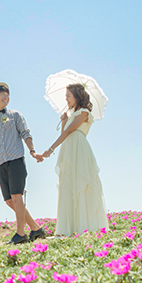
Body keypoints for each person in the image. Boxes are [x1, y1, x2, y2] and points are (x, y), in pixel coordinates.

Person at [0, 82, 47, 245]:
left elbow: (26, 133)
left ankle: (20, 234)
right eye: (3, 95)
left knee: (17, 196)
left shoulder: (16, 115)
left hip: (16, 159)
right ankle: (36, 229)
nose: (6, 98)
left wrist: (32, 151)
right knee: (9, 201)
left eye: (8, 95)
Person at [42, 83, 107, 236]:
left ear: (77, 96)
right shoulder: (72, 115)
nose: (66, 99)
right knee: (68, 184)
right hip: (69, 149)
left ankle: (84, 226)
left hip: (79, 149)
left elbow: (69, 132)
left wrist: (50, 149)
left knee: (81, 184)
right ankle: (68, 228)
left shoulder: (84, 113)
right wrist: (64, 120)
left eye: (69, 96)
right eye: (66, 97)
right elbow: (65, 131)